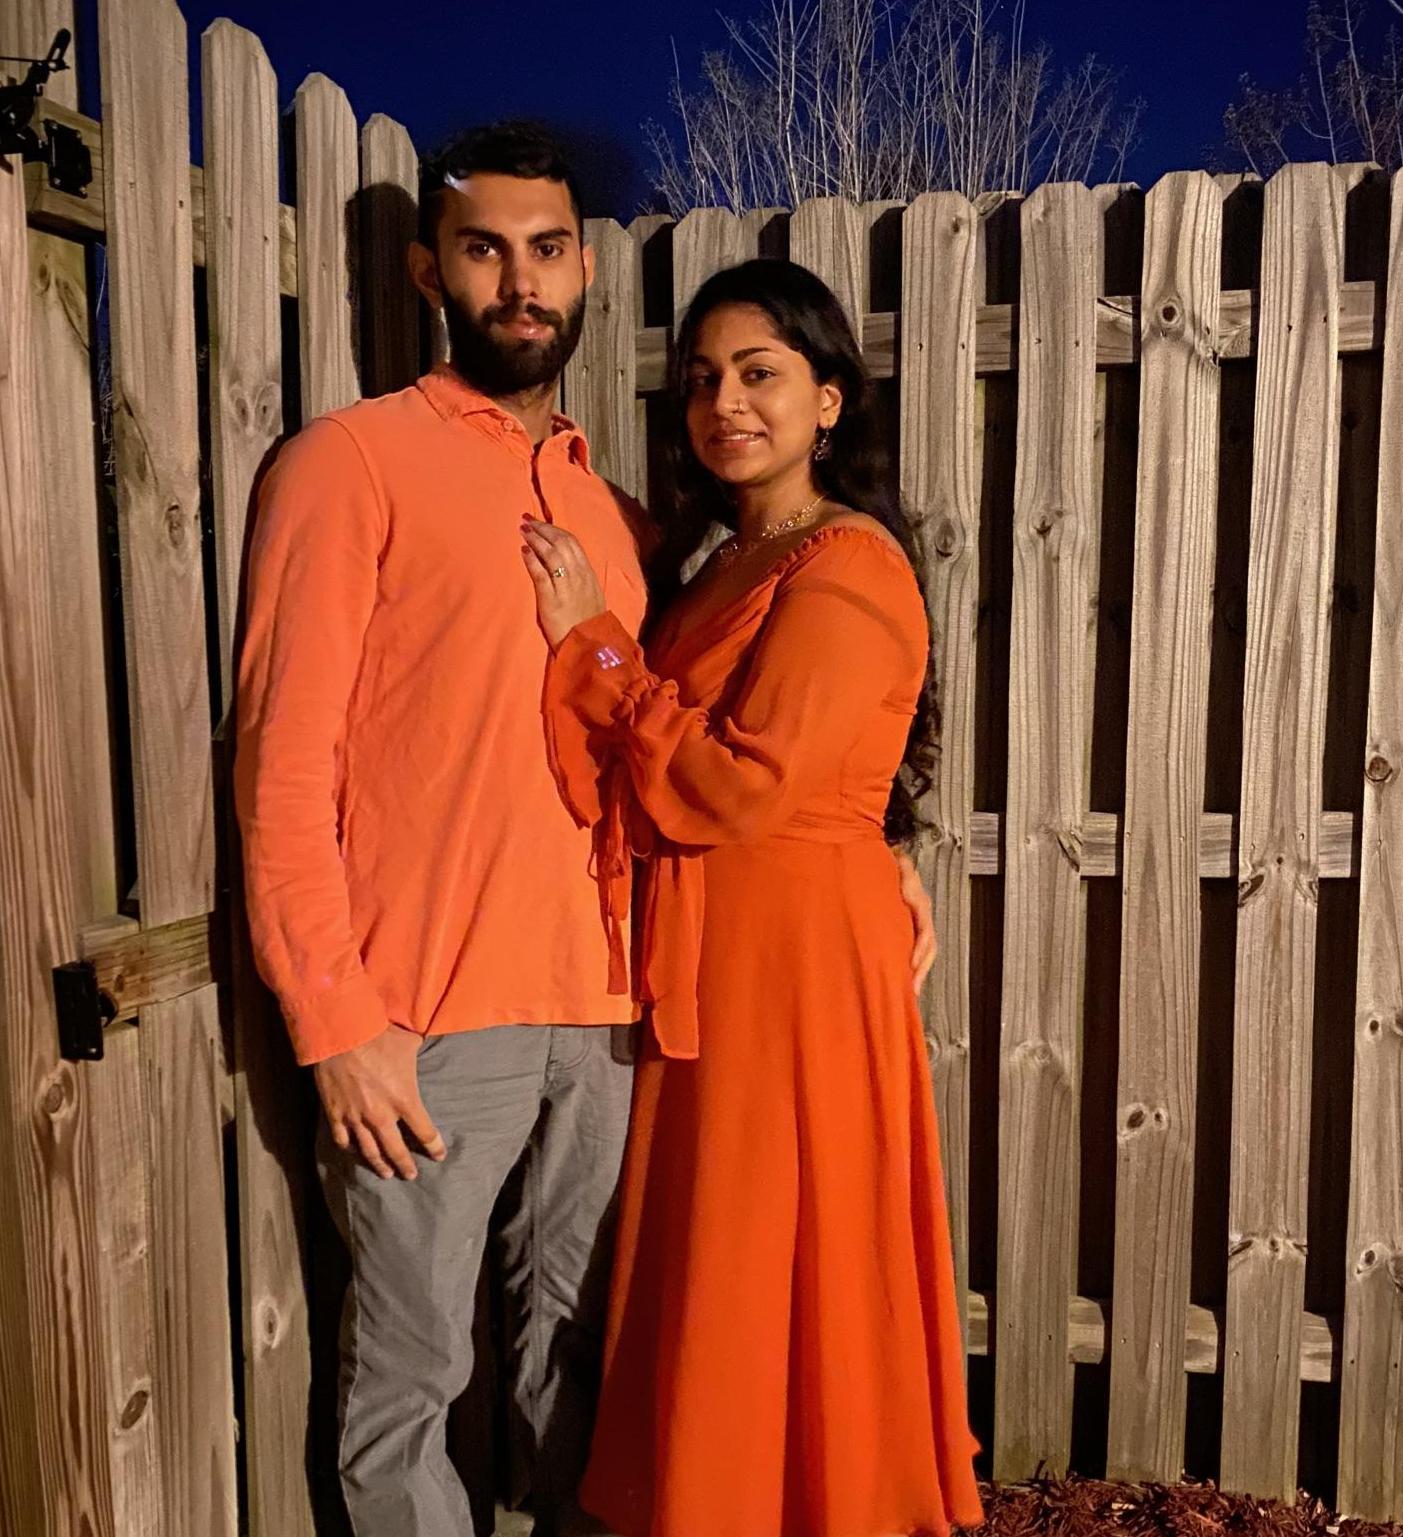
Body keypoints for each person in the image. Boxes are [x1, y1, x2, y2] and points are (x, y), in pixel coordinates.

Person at [236, 122, 937, 1537]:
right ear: (430, 272)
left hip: (616, 1016)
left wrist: (877, 851)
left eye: (546, 249)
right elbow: (281, 764)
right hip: (431, 1013)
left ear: (583, 271)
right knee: (410, 1379)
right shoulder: (347, 463)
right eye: (484, 249)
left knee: (588, 1374)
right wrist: (335, 1018)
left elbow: (748, 736)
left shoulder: (622, 522)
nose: (520, 281)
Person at [520, 259, 984, 1537]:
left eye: (760, 373)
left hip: (790, 964)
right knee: (720, 1244)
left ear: (828, 399)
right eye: (702, 379)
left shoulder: (849, 563)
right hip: (723, 946)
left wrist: (597, 646)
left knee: (774, 1234)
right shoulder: (724, 559)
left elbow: (741, 783)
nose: (725, 402)